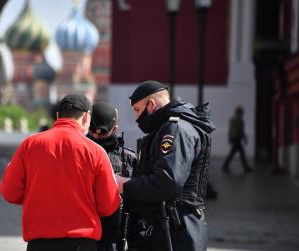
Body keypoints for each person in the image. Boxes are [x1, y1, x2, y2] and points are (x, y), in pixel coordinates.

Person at [0, 93, 121, 251]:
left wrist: (36, 197)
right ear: (87, 117)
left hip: (40, 243)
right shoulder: (96, 151)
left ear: (58, 116)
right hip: (82, 244)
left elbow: (9, 192)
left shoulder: (29, 145)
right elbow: (109, 205)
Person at [115, 80, 215, 251]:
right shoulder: (169, 128)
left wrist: (124, 184)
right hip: (171, 226)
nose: (136, 117)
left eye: (138, 110)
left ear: (151, 104)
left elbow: (166, 181)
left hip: (176, 230)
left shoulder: (175, 130)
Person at [86, 101, 137, 251]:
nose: (95, 136)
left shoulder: (128, 158)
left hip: (116, 237)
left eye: (101, 133)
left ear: (115, 129)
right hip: (84, 235)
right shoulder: (77, 153)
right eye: (91, 131)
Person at [222, 106, 251, 173]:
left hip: (236, 138)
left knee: (234, 153)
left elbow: (233, 130)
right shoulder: (237, 120)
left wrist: (230, 138)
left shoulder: (237, 120)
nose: (241, 114)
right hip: (236, 138)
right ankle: (245, 167)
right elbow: (237, 130)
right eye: (241, 112)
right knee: (239, 153)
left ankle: (225, 166)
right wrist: (244, 138)